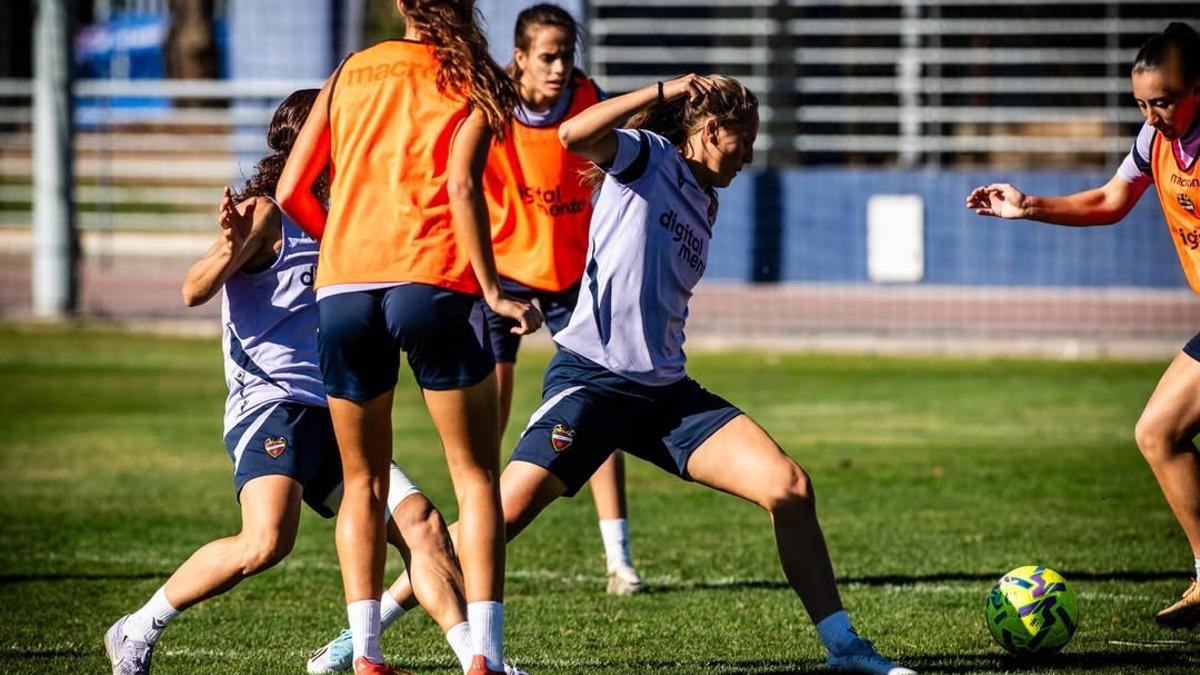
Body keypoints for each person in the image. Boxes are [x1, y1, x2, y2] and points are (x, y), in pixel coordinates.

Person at [332, 73, 918, 675]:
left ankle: (845, 650)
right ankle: (363, 632)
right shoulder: (649, 157)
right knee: (498, 521)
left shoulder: (706, 200)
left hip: (666, 394)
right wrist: (664, 91)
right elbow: (572, 133)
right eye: (742, 140)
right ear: (710, 130)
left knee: (789, 488)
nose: (748, 155)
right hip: (594, 381)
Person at [104, 90, 476, 675]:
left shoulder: (348, 222)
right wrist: (227, 248)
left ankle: (476, 663)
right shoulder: (265, 213)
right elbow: (193, 289)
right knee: (265, 542)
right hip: (271, 404)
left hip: (336, 410)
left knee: (424, 525)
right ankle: (137, 628)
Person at [276, 2, 543, 674]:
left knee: (362, 482)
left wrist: (343, 239)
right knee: (476, 477)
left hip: (343, 290)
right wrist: (491, 288)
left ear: (399, 5)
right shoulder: (477, 76)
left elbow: (291, 190)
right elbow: (461, 184)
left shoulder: (350, 71)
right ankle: (485, 656)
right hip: (432, 283)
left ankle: (366, 653)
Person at [966, 22, 1200, 629]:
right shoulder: (1155, 143)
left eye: (1165, 100)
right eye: (1143, 103)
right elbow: (1109, 201)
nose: (1153, 114)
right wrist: (1029, 206)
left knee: (1160, 432)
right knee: (1158, 434)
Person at [481, 1, 642, 599]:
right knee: (486, 419)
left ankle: (618, 558)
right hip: (504, 273)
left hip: (575, 276)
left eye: (566, 56)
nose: (558, 68)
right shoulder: (490, 104)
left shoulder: (587, 97)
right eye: (547, 57)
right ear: (519, 57)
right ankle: (479, 534)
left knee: (596, 413)